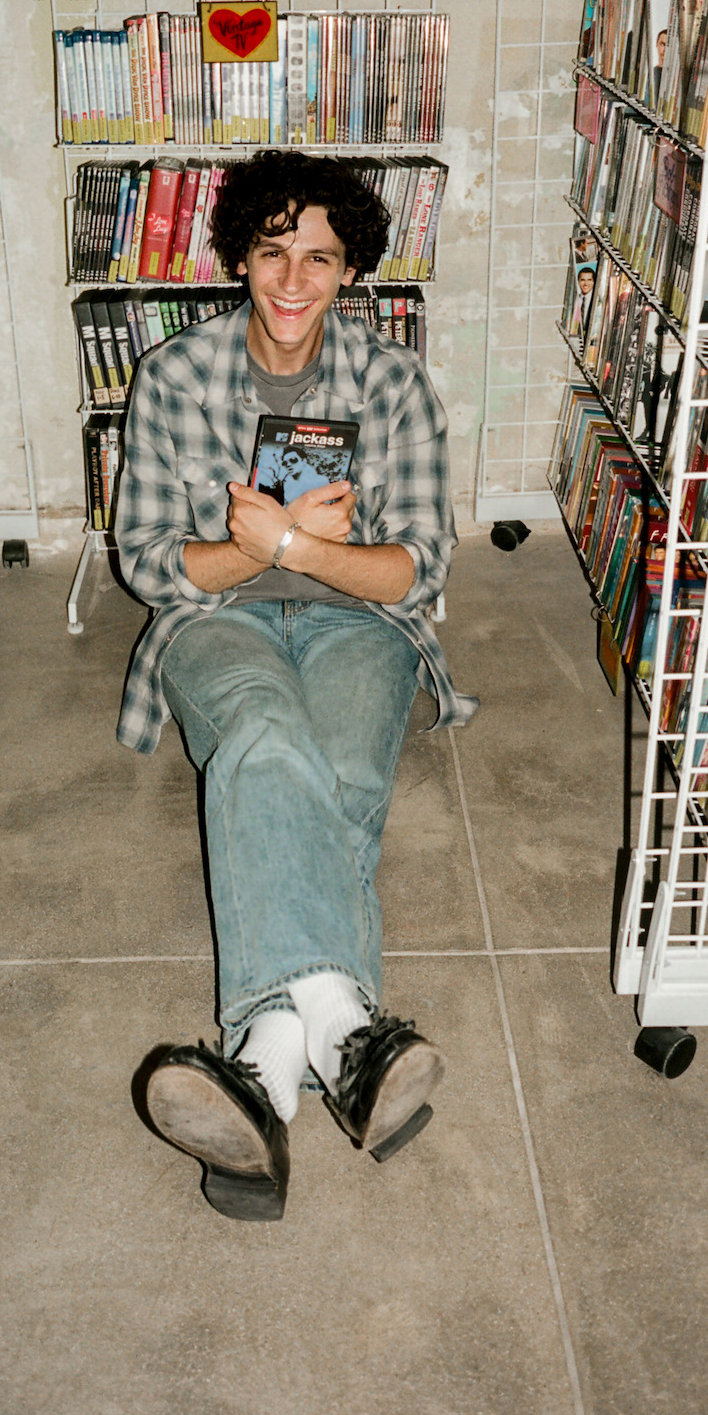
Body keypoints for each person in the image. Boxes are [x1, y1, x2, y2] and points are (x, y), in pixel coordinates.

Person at [114, 150, 477, 1221]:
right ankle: (343, 1032)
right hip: (213, 617)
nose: (291, 280)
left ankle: (263, 1070)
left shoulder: (396, 385)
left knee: (349, 767)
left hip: (358, 615)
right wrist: (257, 549)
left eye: (319, 258)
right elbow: (149, 562)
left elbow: (419, 567)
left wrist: (306, 554)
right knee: (269, 740)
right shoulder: (175, 377)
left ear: (353, 271)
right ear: (239, 255)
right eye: (273, 252)